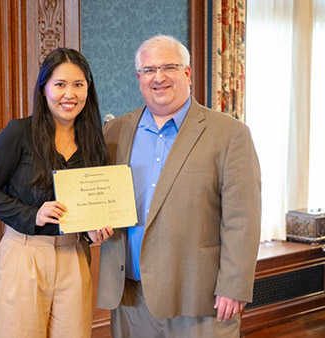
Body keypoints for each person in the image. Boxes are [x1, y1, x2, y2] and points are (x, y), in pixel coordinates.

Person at [97, 35, 262, 337]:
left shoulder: (230, 134)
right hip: (131, 297)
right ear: (138, 78)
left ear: (187, 73)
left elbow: (243, 220)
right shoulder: (115, 131)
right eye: (148, 70)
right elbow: (102, 201)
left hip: (200, 297)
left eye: (169, 67)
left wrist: (234, 286)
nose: (158, 77)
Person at [0, 47, 114, 338]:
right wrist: (32, 214)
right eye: (60, 84)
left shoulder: (94, 142)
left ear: (88, 89)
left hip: (73, 256)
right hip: (24, 254)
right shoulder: (19, 132)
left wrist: (94, 231)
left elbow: (92, 204)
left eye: (78, 85)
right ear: (44, 89)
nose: (70, 94)